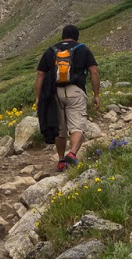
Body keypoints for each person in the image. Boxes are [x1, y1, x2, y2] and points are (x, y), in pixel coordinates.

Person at [34, 24, 100, 171]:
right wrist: (96, 95)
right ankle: (72, 154)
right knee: (77, 126)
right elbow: (93, 72)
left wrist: (38, 97)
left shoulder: (51, 50)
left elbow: (40, 74)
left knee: (60, 129)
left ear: (62, 36)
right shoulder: (83, 49)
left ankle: (61, 160)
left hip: (54, 92)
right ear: (77, 36)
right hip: (75, 91)